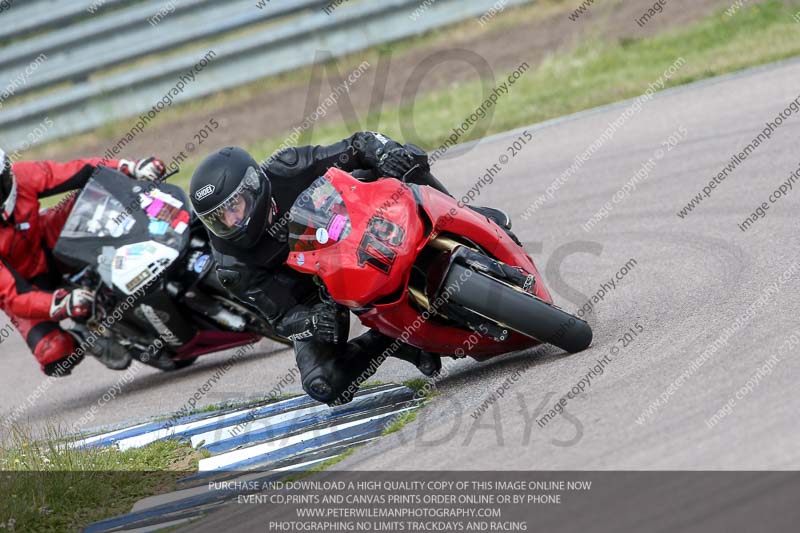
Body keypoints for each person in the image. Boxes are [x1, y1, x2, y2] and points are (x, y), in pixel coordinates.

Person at [188, 132, 514, 405]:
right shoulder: (231, 266)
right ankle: (393, 338)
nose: (230, 222)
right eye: (217, 218)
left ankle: (464, 216)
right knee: (324, 384)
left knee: (404, 159)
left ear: (253, 187)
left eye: (233, 208)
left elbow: (357, 145)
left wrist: (384, 152)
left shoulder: (285, 168)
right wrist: (311, 320)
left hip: (353, 220)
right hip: (316, 293)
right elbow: (281, 318)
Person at [0, 148, 167, 376]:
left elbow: (80, 169)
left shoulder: (24, 175)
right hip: (26, 289)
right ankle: (83, 335)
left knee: (95, 199)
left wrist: (128, 167)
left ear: (7, 175)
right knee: (54, 356)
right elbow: (14, 297)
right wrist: (61, 303)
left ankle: (157, 235)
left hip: (48, 241)